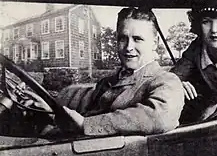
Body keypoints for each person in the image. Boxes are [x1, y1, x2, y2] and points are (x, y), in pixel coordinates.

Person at [27, 7, 184, 136]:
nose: (128, 47)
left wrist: (84, 124)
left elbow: (158, 117)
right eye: (123, 38)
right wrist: (51, 111)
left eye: (137, 39)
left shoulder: (166, 81)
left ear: (154, 43)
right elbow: (86, 111)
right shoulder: (108, 82)